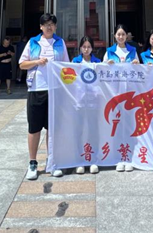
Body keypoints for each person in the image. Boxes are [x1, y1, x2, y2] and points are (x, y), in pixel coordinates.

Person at [18, 13, 69, 180]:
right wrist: (37, 62)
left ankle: (51, 161)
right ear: (40, 27)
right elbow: (22, 64)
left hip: (54, 90)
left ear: (55, 26)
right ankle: (33, 163)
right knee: (34, 128)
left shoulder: (60, 43)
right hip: (36, 89)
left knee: (52, 128)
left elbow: (66, 66)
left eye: (52, 24)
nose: (49, 27)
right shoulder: (33, 42)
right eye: (46, 24)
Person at [105, 24, 139, 172]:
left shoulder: (133, 51)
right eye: (118, 34)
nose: (120, 37)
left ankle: (129, 156)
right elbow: (102, 71)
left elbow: (139, 71)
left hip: (130, 94)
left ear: (127, 36)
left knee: (130, 125)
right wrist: (107, 64)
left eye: (123, 34)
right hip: (115, 94)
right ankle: (119, 157)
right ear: (114, 36)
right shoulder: (109, 51)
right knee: (117, 125)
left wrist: (137, 64)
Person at [71, 36, 101, 175]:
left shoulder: (98, 62)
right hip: (79, 102)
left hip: (94, 103)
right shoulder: (75, 62)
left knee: (93, 131)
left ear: (92, 48)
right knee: (79, 131)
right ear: (80, 48)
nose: (86, 49)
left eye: (89, 47)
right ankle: (79, 160)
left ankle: (93, 159)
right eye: (84, 47)